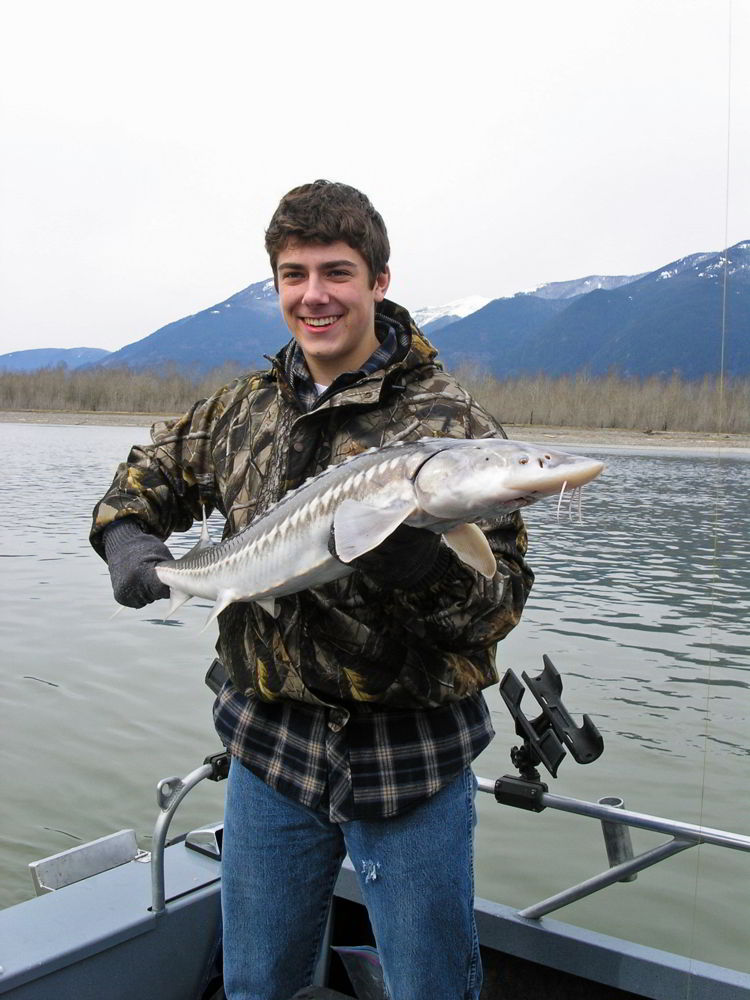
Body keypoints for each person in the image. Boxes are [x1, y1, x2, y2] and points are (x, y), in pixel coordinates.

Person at [90, 180, 534, 1000]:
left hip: (410, 763)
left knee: (433, 988)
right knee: (258, 985)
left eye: (336, 272)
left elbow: (497, 607)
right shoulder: (239, 410)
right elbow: (143, 478)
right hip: (268, 753)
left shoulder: (454, 429)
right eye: (295, 275)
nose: (315, 295)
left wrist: (421, 568)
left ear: (379, 281)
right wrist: (126, 537)